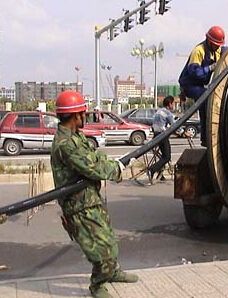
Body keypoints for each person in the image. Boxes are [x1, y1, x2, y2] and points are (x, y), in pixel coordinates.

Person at [51, 91, 138, 298]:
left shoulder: (75, 136)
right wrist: (117, 169)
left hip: (90, 200)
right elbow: (93, 168)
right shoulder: (66, 144)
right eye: (84, 113)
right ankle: (97, 284)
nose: (85, 117)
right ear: (75, 115)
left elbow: (95, 157)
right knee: (102, 251)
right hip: (79, 207)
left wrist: (113, 163)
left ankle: (112, 272)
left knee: (109, 240)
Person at [178, 25, 226, 147]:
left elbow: (227, 51)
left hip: (201, 85)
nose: (217, 47)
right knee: (205, 99)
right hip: (189, 84)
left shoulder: (218, 50)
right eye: (215, 44)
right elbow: (194, 72)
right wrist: (210, 68)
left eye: (219, 45)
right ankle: (205, 138)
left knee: (213, 98)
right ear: (209, 41)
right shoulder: (198, 51)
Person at [148, 95, 175, 181]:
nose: (173, 105)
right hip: (163, 136)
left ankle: (160, 175)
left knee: (163, 156)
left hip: (156, 135)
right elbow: (174, 125)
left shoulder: (158, 112)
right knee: (167, 157)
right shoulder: (168, 113)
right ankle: (152, 169)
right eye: (173, 103)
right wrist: (183, 132)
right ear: (169, 104)